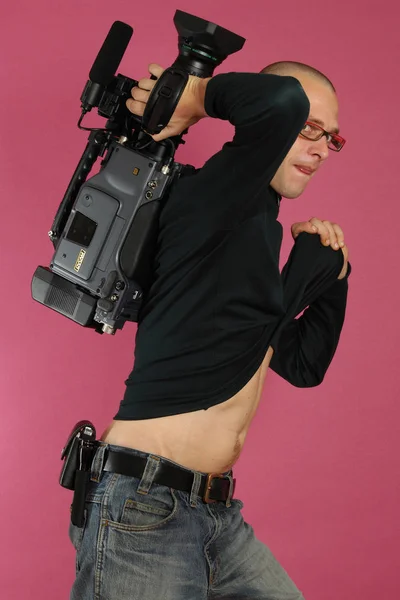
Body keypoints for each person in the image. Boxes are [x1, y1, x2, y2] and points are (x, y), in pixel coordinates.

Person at [69, 60, 351, 600]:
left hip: (214, 514)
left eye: (330, 137)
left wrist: (331, 274)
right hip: (143, 504)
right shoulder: (211, 197)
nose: (318, 148)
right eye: (309, 128)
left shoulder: (253, 231)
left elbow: (302, 363)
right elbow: (281, 102)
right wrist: (192, 95)